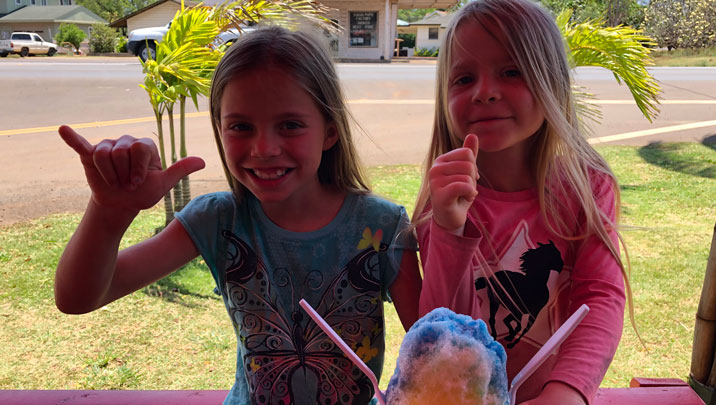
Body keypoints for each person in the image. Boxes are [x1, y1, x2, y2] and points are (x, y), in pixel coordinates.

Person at [55, 26, 421, 405]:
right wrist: (108, 213)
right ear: (219, 129)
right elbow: (78, 298)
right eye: (241, 126)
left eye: (290, 125)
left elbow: (435, 345)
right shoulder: (217, 221)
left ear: (329, 131)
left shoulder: (383, 226)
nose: (263, 149)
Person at [412, 1, 628, 404]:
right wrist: (448, 229)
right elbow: (444, 332)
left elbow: (600, 299)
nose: (485, 92)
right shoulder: (441, 199)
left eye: (512, 71)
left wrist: (566, 393)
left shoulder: (587, 186)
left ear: (553, 83)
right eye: (463, 78)